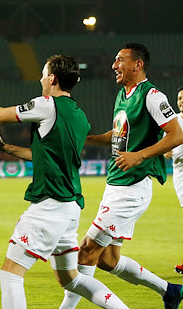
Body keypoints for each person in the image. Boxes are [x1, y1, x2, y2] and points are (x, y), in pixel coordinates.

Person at [0, 54, 129, 308]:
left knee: (10, 273)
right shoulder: (80, 117)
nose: (40, 78)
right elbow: (42, 155)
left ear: (51, 78)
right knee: (72, 279)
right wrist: (3, 146)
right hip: (70, 206)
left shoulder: (46, 104)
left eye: (42, 73)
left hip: (49, 204)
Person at [59, 43, 183, 309]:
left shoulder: (152, 96)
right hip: (117, 184)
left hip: (131, 187)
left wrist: (140, 155)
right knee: (108, 259)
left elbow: (176, 134)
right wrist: (84, 139)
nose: (114, 65)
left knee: (87, 251)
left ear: (137, 64)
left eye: (120, 60)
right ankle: (170, 290)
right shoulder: (123, 95)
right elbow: (116, 136)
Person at [168, 88, 183, 274]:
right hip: (181, 173)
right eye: (179, 98)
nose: (181, 101)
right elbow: (163, 142)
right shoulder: (172, 122)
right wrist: (164, 151)